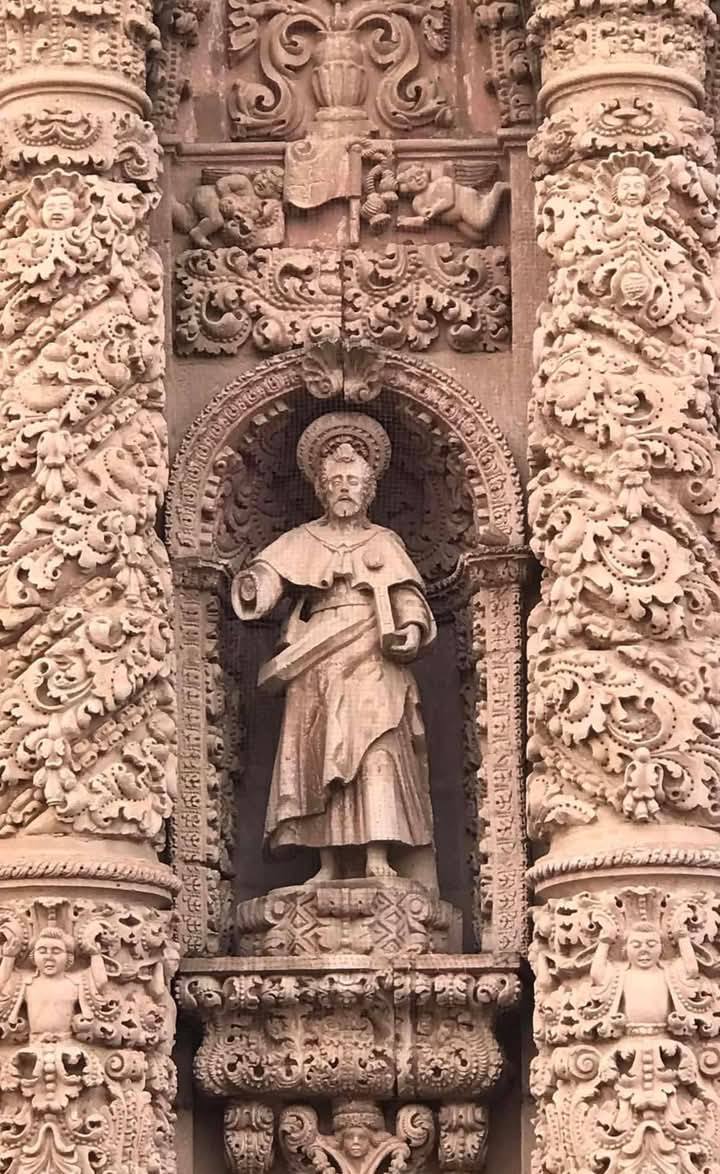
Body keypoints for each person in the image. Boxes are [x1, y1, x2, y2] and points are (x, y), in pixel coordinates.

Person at [231, 413, 436, 884]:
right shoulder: (302, 541)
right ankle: (325, 863)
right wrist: (254, 586)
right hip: (317, 659)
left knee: (375, 749)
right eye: (336, 480)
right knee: (317, 753)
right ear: (321, 488)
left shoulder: (384, 542)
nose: (345, 487)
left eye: (354, 480)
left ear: (369, 490)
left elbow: (409, 597)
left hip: (374, 653)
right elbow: (268, 576)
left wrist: (412, 628)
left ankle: (377, 855)